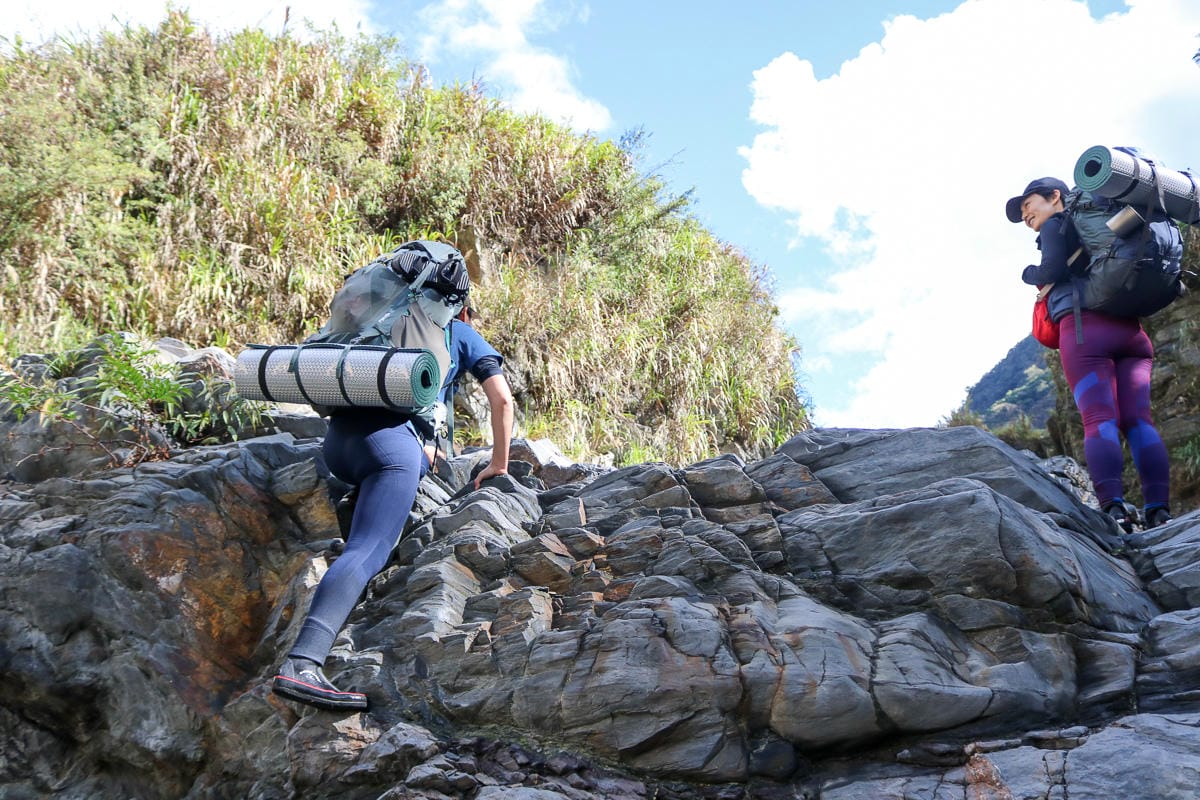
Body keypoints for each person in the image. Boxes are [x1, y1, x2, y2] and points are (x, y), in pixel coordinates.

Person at [272, 303, 513, 711]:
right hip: (389, 449)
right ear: (461, 311)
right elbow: (502, 400)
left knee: (391, 487)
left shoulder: (381, 321)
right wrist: (499, 464)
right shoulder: (459, 332)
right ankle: (303, 663)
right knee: (367, 550)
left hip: (338, 446)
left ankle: (359, 504)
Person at [1007, 177, 1172, 533]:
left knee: (1099, 418)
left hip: (1086, 333)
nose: (1025, 215)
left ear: (1055, 196)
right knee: (1140, 421)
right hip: (1132, 335)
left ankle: (1114, 510)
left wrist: (1028, 274)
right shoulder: (1104, 225)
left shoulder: (1056, 224)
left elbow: (1051, 270)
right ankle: (1159, 511)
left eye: (1028, 205)